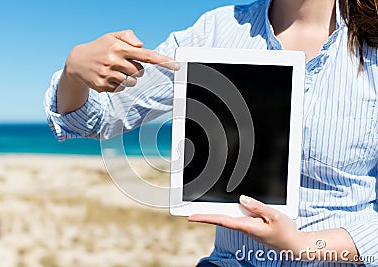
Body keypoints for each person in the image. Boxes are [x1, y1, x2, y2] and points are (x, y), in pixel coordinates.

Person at [44, 0, 378, 266]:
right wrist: (75, 73)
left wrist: (306, 246)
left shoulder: (372, 44)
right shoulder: (217, 30)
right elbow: (96, 121)